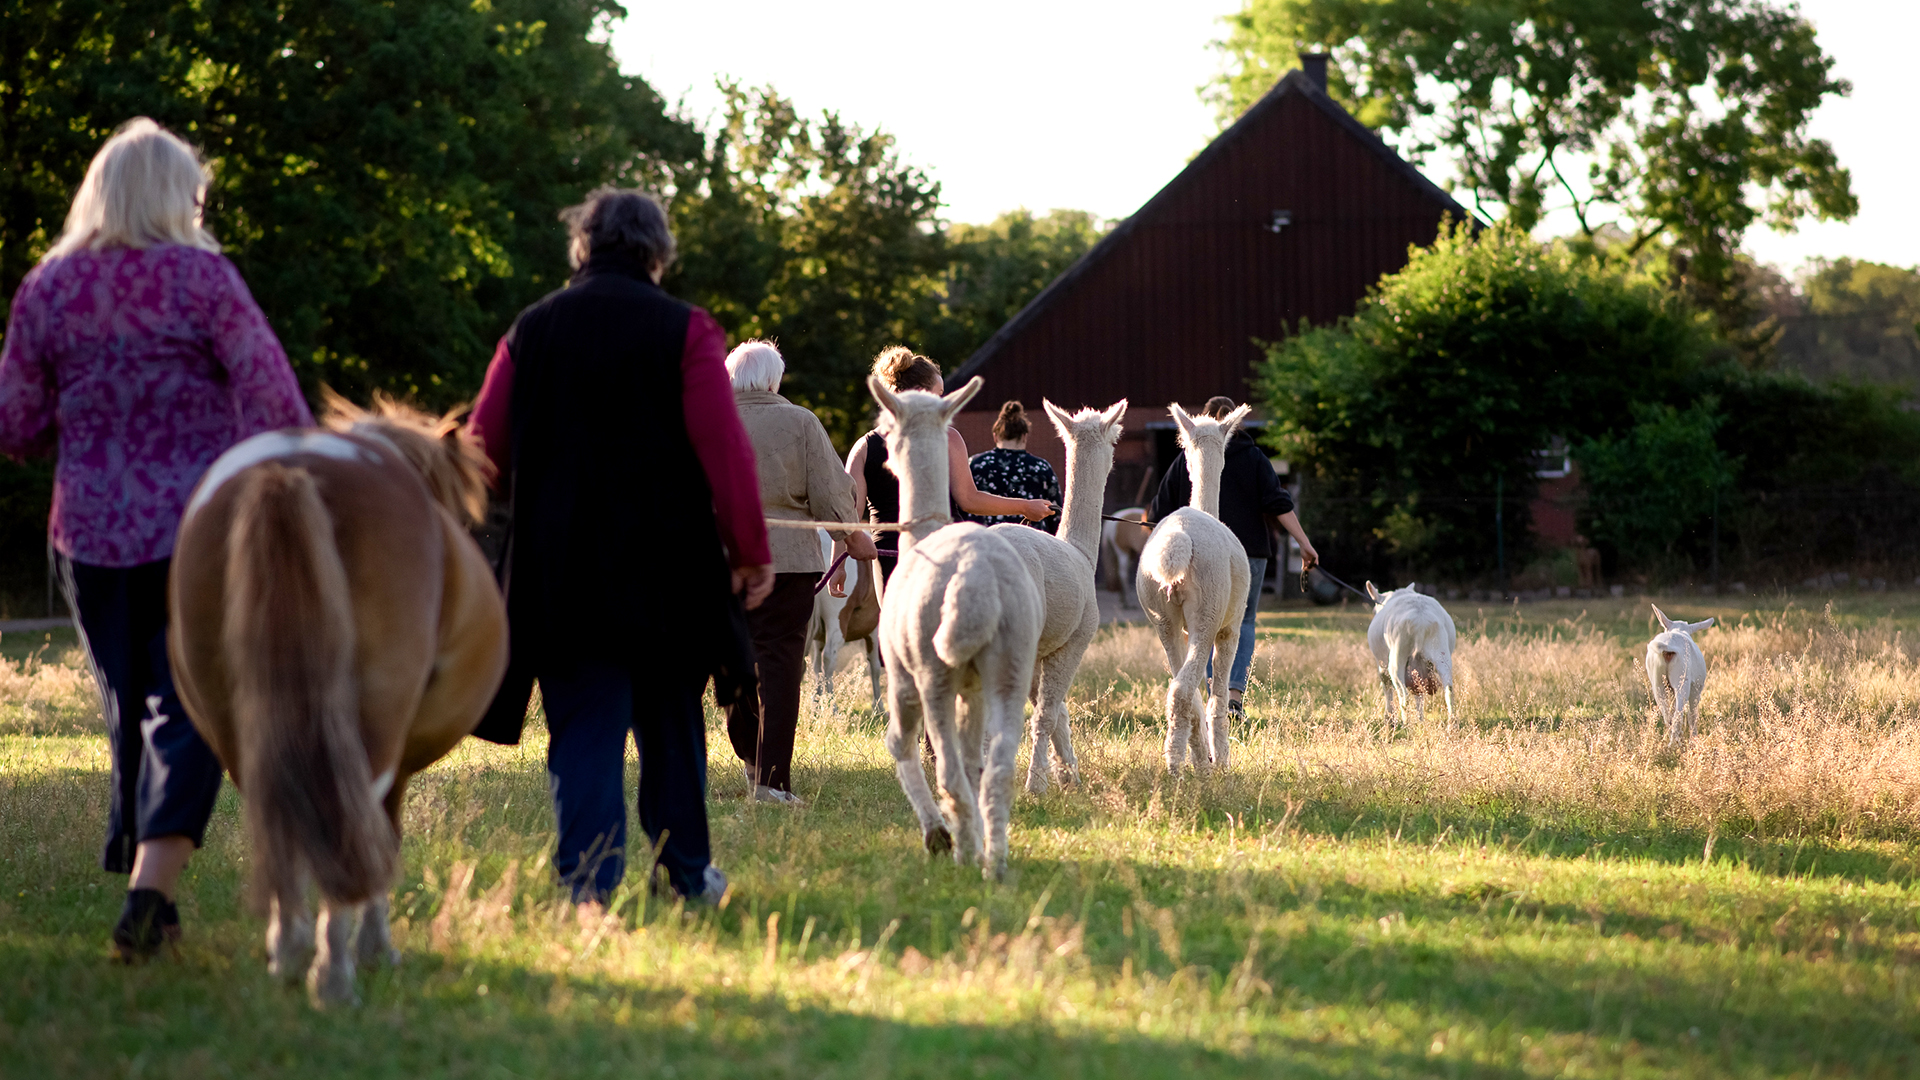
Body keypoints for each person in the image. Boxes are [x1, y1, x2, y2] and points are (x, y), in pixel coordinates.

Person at [0, 119, 315, 959]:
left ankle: (154, 894)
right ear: (178, 197)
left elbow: (17, 424)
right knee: (194, 703)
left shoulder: (47, 287)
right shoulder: (203, 280)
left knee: (127, 701)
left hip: (91, 530)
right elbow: (275, 401)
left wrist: (82, 429)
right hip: (199, 526)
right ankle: (148, 893)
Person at [467, 187, 771, 911]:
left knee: (584, 727)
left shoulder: (531, 328)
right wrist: (750, 550)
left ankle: (586, 889)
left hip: (561, 568)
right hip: (669, 569)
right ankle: (688, 877)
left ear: (584, 246)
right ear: (658, 252)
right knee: (671, 724)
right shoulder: (686, 330)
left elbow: (485, 450)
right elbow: (723, 449)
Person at [724, 340, 876, 806]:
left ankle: (752, 760)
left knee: (731, 661)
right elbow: (831, 492)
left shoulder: (708, 421)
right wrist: (852, 537)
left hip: (720, 564)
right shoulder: (801, 422)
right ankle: (771, 780)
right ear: (774, 380)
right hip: (787, 563)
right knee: (779, 666)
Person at [1147, 395, 1318, 723]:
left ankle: (1212, 693)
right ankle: (1232, 697)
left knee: (1202, 624)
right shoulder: (1254, 457)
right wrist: (1304, 543)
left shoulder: (1190, 455)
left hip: (1199, 554)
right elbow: (1278, 503)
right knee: (1242, 622)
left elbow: (1159, 509)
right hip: (1249, 554)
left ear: (1204, 419)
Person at [844, 348, 1052, 584]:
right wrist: (1025, 507)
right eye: (939, 394)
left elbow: (844, 512)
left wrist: (837, 566)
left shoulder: (863, 447)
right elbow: (969, 500)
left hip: (891, 558)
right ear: (922, 394)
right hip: (948, 549)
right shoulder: (948, 436)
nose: (943, 401)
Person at [966, 401, 1061, 532]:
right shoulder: (1041, 467)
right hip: (1032, 544)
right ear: (1024, 436)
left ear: (995, 436)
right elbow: (1056, 514)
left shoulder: (975, 464)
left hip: (984, 541)